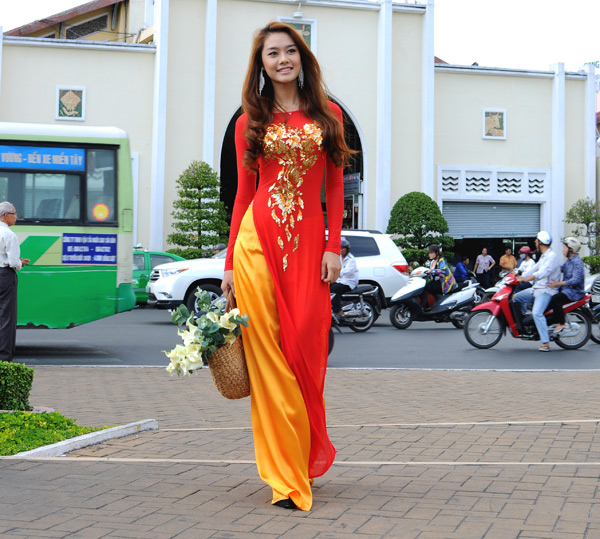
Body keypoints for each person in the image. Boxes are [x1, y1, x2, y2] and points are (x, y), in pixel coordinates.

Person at [220, 22, 351, 511]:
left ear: (302, 58)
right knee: (268, 354)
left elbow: (334, 187)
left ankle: (299, 454)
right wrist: (232, 261)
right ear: (262, 64)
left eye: (289, 51)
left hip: (309, 248)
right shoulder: (249, 122)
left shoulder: (329, 115)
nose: (281, 60)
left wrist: (333, 245)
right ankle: (285, 477)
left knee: (305, 348)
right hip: (258, 243)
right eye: (272, 53)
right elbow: (243, 195)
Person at [513, 231, 561, 352]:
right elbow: (534, 268)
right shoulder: (544, 256)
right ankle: (524, 324)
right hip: (537, 288)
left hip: (546, 290)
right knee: (516, 298)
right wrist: (518, 274)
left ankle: (545, 342)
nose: (535, 242)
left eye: (536, 240)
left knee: (537, 313)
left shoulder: (552, 256)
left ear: (541, 243)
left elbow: (542, 273)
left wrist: (525, 279)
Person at [0, 202, 30, 362]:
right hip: (4, 276)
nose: (16, 217)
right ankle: (4, 359)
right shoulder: (9, 234)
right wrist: (20, 263)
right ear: (6, 216)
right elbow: (12, 263)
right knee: (7, 317)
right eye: (14, 214)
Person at [548, 237, 585, 334]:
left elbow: (576, 280)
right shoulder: (569, 260)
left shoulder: (577, 262)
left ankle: (561, 323)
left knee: (556, 299)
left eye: (564, 248)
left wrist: (557, 283)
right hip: (566, 290)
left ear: (571, 249)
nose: (562, 250)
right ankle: (553, 321)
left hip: (574, 292)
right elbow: (560, 268)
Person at [420, 244, 457, 310]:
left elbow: (444, 270)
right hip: (436, 282)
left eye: (431, 253)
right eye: (429, 253)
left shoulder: (441, 260)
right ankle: (427, 306)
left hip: (444, 284)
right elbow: (430, 273)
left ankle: (424, 307)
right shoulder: (432, 262)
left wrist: (433, 270)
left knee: (427, 287)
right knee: (421, 287)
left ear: (436, 253)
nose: (429, 254)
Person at [331, 238, 359, 319]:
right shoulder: (338, 257)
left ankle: (339, 311)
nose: (341, 250)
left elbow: (347, 271)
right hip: (340, 280)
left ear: (347, 249)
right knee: (328, 287)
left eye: (343, 248)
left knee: (334, 290)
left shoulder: (351, 259)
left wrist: (337, 272)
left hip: (349, 282)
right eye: (340, 248)